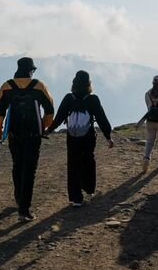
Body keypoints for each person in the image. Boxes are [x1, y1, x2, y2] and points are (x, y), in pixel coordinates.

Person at [0, 57, 54, 222]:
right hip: (34, 135)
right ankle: (24, 210)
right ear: (31, 70)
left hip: (14, 135)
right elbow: (50, 109)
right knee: (30, 169)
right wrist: (45, 127)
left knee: (17, 165)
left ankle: (19, 198)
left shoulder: (7, 87)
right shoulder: (39, 86)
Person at [46, 70, 114, 207]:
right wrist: (108, 136)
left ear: (74, 83)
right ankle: (89, 187)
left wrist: (49, 130)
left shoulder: (68, 98)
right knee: (88, 159)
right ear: (88, 84)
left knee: (73, 163)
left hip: (72, 136)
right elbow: (101, 118)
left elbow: (59, 117)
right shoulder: (93, 99)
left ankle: (75, 198)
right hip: (88, 135)